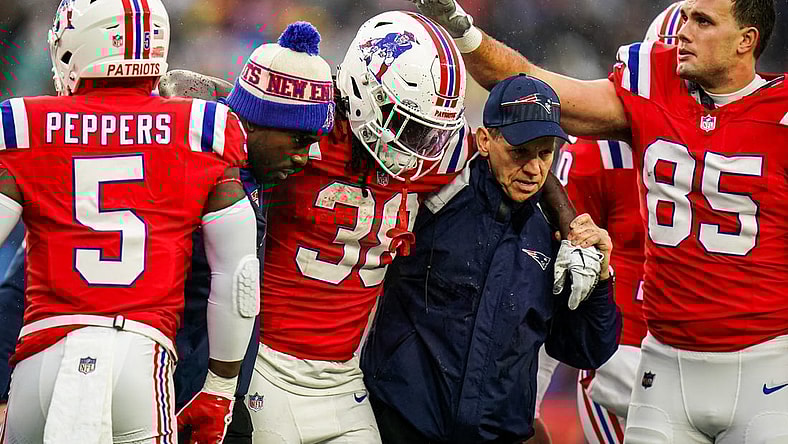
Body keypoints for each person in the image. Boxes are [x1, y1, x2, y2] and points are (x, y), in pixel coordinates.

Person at [155, 11, 594, 443]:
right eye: (409, 125)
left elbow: (511, 150)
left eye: (430, 131)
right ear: (365, 92)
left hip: (346, 378)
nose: (420, 146)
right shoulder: (307, 133)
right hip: (270, 365)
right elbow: (222, 112)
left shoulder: (431, 150)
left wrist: (569, 221)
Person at [412, 0, 788, 442]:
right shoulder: (650, 87)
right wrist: (466, 33)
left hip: (766, 365)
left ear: (747, 41)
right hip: (661, 365)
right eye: (685, 17)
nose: (684, 32)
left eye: (702, 22)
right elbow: (533, 87)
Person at [0, 20, 335, 444]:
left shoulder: (39, 127)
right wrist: (220, 389)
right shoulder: (201, 143)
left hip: (73, 357)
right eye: (301, 140)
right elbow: (239, 281)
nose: (309, 156)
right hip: (154, 368)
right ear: (252, 126)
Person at [360, 73, 620, 444]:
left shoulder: (557, 231)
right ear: (484, 140)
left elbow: (584, 350)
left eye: (545, 153)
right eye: (519, 151)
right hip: (401, 426)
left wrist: (600, 280)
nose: (533, 169)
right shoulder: (435, 195)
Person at [534, 5, 686, 443]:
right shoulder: (595, 154)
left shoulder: (745, 145)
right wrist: (528, 403)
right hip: (624, 357)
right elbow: (550, 275)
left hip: (718, 346)